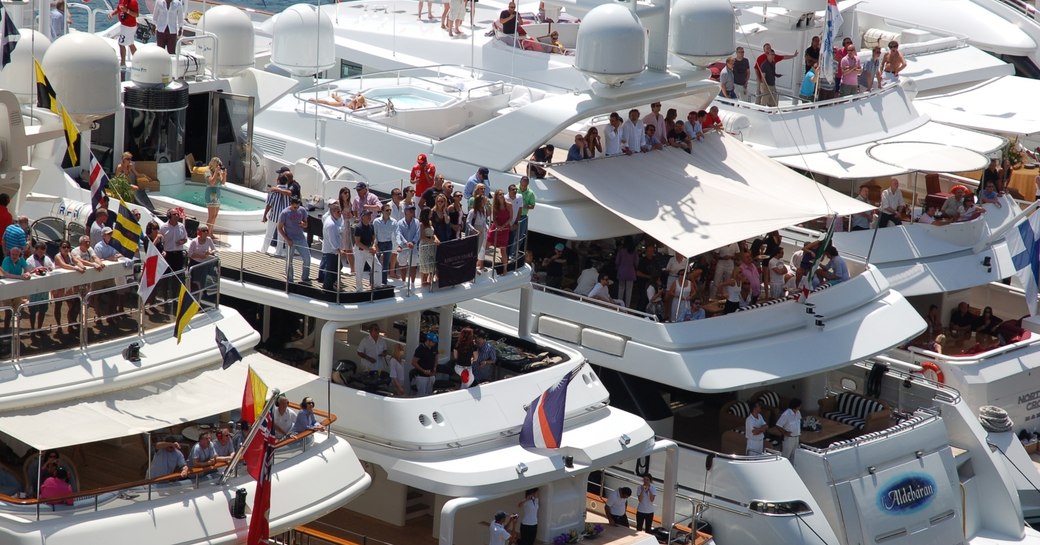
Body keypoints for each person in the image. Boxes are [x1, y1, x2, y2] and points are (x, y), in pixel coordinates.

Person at [52, 240, 85, 333]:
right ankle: (59, 326)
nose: (66, 249)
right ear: (60, 248)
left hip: (69, 283)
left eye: (67, 247)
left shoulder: (70, 255)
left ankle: (70, 323)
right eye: (64, 247)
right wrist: (76, 268)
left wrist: (81, 266)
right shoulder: (57, 256)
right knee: (58, 306)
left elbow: (77, 261)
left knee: (73, 304)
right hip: (59, 284)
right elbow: (64, 265)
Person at [278, 197, 312, 283]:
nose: (296, 209)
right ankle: (290, 280)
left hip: (301, 238)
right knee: (289, 261)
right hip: (290, 239)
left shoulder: (302, 210)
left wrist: (304, 224)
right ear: (291, 204)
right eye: (294, 207)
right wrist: (287, 239)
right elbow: (279, 228)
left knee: (307, 258)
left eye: (298, 207)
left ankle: (305, 277)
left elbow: (306, 224)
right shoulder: (284, 213)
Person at [26, 242, 53, 335]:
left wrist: (48, 269)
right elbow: (26, 273)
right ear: (36, 250)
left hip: (44, 289)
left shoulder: (47, 259)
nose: (41, 252)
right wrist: (35, 271)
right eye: (39, 250)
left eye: (43, 250)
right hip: (34, 289)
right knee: (33, 310)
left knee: (43, 309)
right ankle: (33, 329)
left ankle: (39, 328)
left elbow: (52, 268)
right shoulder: (29, 260)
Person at [356, 210, 385, 290]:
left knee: (378, 267)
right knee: (359, 271)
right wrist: (369, 249)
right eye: (367, 215)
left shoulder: (371, 226)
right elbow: (357, 242)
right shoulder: (358, 227)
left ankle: (377, 286)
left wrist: (374, 246)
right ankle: (359, 289)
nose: (369, 216)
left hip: (370, 250)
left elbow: (374, 239)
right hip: (360, 251)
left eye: (370, 214)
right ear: (362, 217)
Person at [319, 202, 345, 291]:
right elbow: (332, 240)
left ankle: (331, 284)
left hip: (334, 251)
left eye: (340, 211)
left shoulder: (336, 220)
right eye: (338, 212)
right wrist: (338, 249)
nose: (340, 213)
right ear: (333, 212)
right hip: (331, 251)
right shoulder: (331, 224)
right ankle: (327, 288)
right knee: (330, 270)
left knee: (337, 267)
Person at [373, 203, 398, 285]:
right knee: (375, 263)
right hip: (379, 243)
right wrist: (375, 245)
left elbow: (397, 234)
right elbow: (374, 234)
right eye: (387, 210)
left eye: (390, 210)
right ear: (382, 211)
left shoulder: (394, 222)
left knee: (386, 264)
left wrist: (398, 245)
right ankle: (372, 281)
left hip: (388, 244)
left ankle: (384, 282)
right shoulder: (376, 221)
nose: (389, 212)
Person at [187, 225, 216, 293]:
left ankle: (201, 296)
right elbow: (189, 254)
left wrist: (209, 253)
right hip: (194, 264)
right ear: (199, 232)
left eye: (207, 231)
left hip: (203, 265)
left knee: (202, 282)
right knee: (193, 283)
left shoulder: (209, 239)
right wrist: (200, 256)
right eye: (204, 231)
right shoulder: (194, 241)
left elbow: (214, 250)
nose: (206, 232)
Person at [108, 0, 139, 66]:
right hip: (124, 25)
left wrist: (127, 10)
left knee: (121, 44)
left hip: (129, 26)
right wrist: (112, 14)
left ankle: (123, 63)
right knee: (131, 44)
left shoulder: (133, 2)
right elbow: (118, 9)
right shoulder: (122, 0)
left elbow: (136, 14)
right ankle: (138, 61)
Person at [397, 205, 421, 285]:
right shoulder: (400, 222)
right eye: (410, 210)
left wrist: (413, 242)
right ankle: (404, 283)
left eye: (413, 210)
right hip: (403, 248)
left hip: (413, 248)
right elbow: (399, 234)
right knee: (402, 266)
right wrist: (406, 243)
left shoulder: (417, 222)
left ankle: (413, 283)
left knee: (413, 266)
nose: (412, 211)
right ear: (405, 211)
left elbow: (418, 233)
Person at [411, 332, 439, 396]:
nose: (434, 344)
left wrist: (434, 368)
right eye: (433, 342)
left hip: (431, 375)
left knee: (430, 394)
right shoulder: (420, 349)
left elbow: (436, 357)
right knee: (421, 394)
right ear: (428, 341)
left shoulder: (434, 347)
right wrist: (423, 370)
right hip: (422, 376)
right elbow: (413, 362)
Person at [417, 208, 439, 286]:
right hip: (425, 246)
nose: (431, 214)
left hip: (432, 246)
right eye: (430, 213)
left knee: (431, 263)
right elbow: (422, 237)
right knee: (425, 264)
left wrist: (436, 239)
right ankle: (423, 282)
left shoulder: (430, 222)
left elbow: (433, 234)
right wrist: (432, 241)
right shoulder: (421, 224)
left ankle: (430, 280)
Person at [205, 157, 226, 238]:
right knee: (211, 216)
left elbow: (223, 182)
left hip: (217, 194)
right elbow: (212, 182)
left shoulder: (218, 172)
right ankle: (207, 234)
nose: (219, 166)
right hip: (211, 193)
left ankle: (211, 233)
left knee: (215, 215)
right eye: (217, 164)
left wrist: (224, 174)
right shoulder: (208, 172)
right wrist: (216, 172)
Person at [615, 238, 638, 307]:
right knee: (629, 290)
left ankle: (619, 305)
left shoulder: (621, 251)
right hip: (631, 272)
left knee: (621, 289)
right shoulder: (634, 252)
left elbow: (616, 262)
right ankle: (627, 307)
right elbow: (636, 263)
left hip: (621, 272)